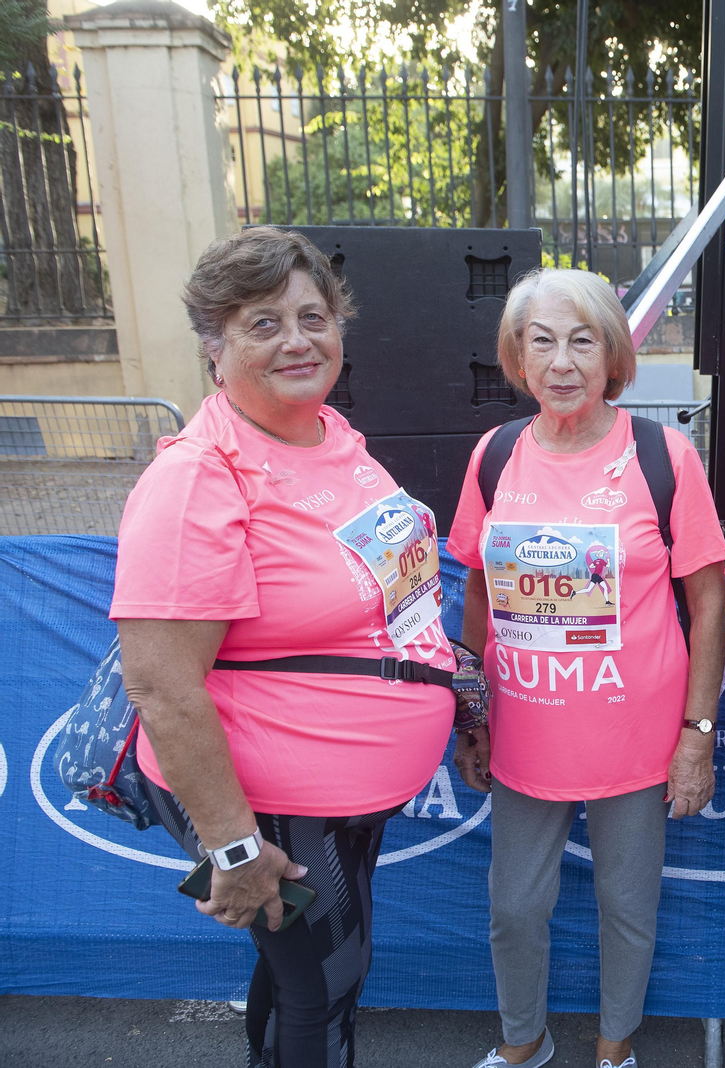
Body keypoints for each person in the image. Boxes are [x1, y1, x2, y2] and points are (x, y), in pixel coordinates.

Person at [111, 226, 458, 1068]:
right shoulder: (198, 479)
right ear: (214, 347)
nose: (297, 340)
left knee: (303, 976)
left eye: (313, 317)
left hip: (341, 794)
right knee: (324, 987)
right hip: (268, 803)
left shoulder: (331, 435)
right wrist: (233, 849)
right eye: (263, 324)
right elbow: (161, 687)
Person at [450, 269, 725, 1068]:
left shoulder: (663, 455)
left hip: (634, 736)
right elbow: (477, 586)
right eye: (542, 341)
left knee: (626, 906)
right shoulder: (496, 454)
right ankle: (523, 1046)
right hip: (523, 732)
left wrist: (696, 735)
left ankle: (614, 1051)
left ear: (613, 356)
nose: (562, 362)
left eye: (583, 341)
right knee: (514, 908)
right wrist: (472, 715)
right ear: (517, 356)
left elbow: (709, 602)